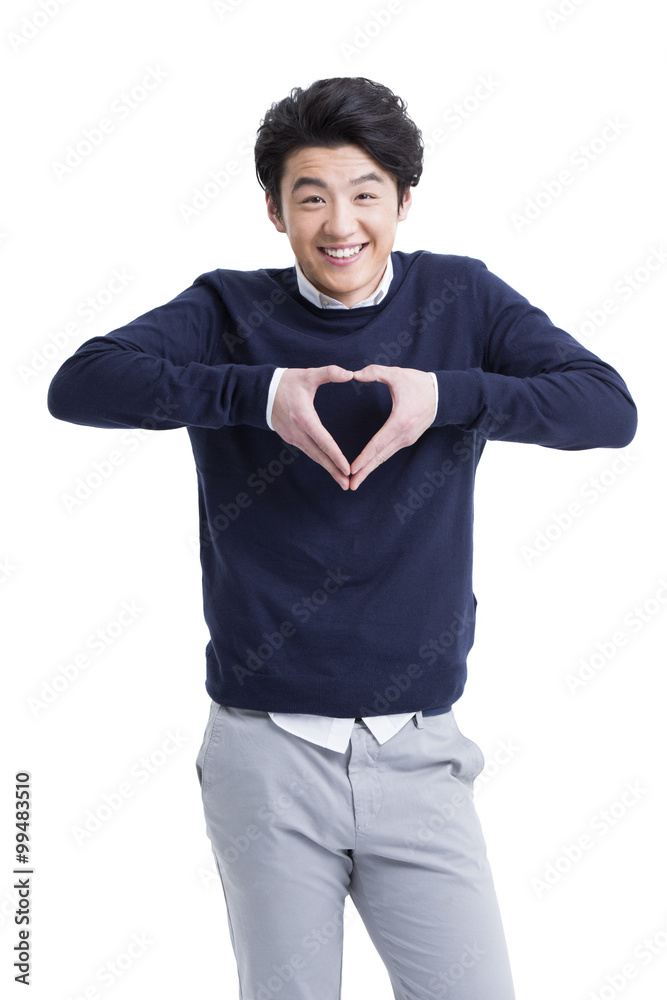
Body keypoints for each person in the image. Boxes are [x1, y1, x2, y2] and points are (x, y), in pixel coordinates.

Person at [47, 76, 637, 999]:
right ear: (275, 212)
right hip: (265, 754)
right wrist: (258, 393)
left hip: (420, 751)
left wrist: (448, 394)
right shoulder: (228, 311)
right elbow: (81, 384)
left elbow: (607, 409)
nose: (339, 223)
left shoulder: (461, 300)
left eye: (364, 193)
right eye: (310, 197)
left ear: (402, 200)